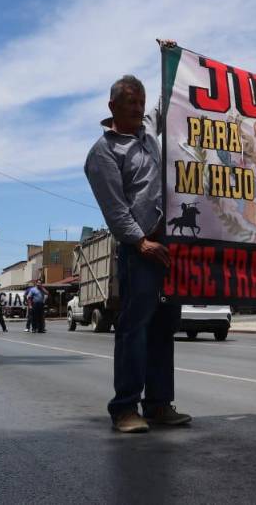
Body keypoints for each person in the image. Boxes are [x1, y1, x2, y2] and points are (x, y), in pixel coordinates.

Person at [85, 73, 189, 433]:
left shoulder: (148, 134)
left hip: (168, 247)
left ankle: (158, 404)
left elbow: (166, 107)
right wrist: (140, 242)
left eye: (141, 104)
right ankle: (125, 408)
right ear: (112, 106)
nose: (138, 109)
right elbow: (114, 208)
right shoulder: (103, 153)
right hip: (139, 251)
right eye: (131, 103)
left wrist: (173, 64)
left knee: (164, 327)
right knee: (135, 328)